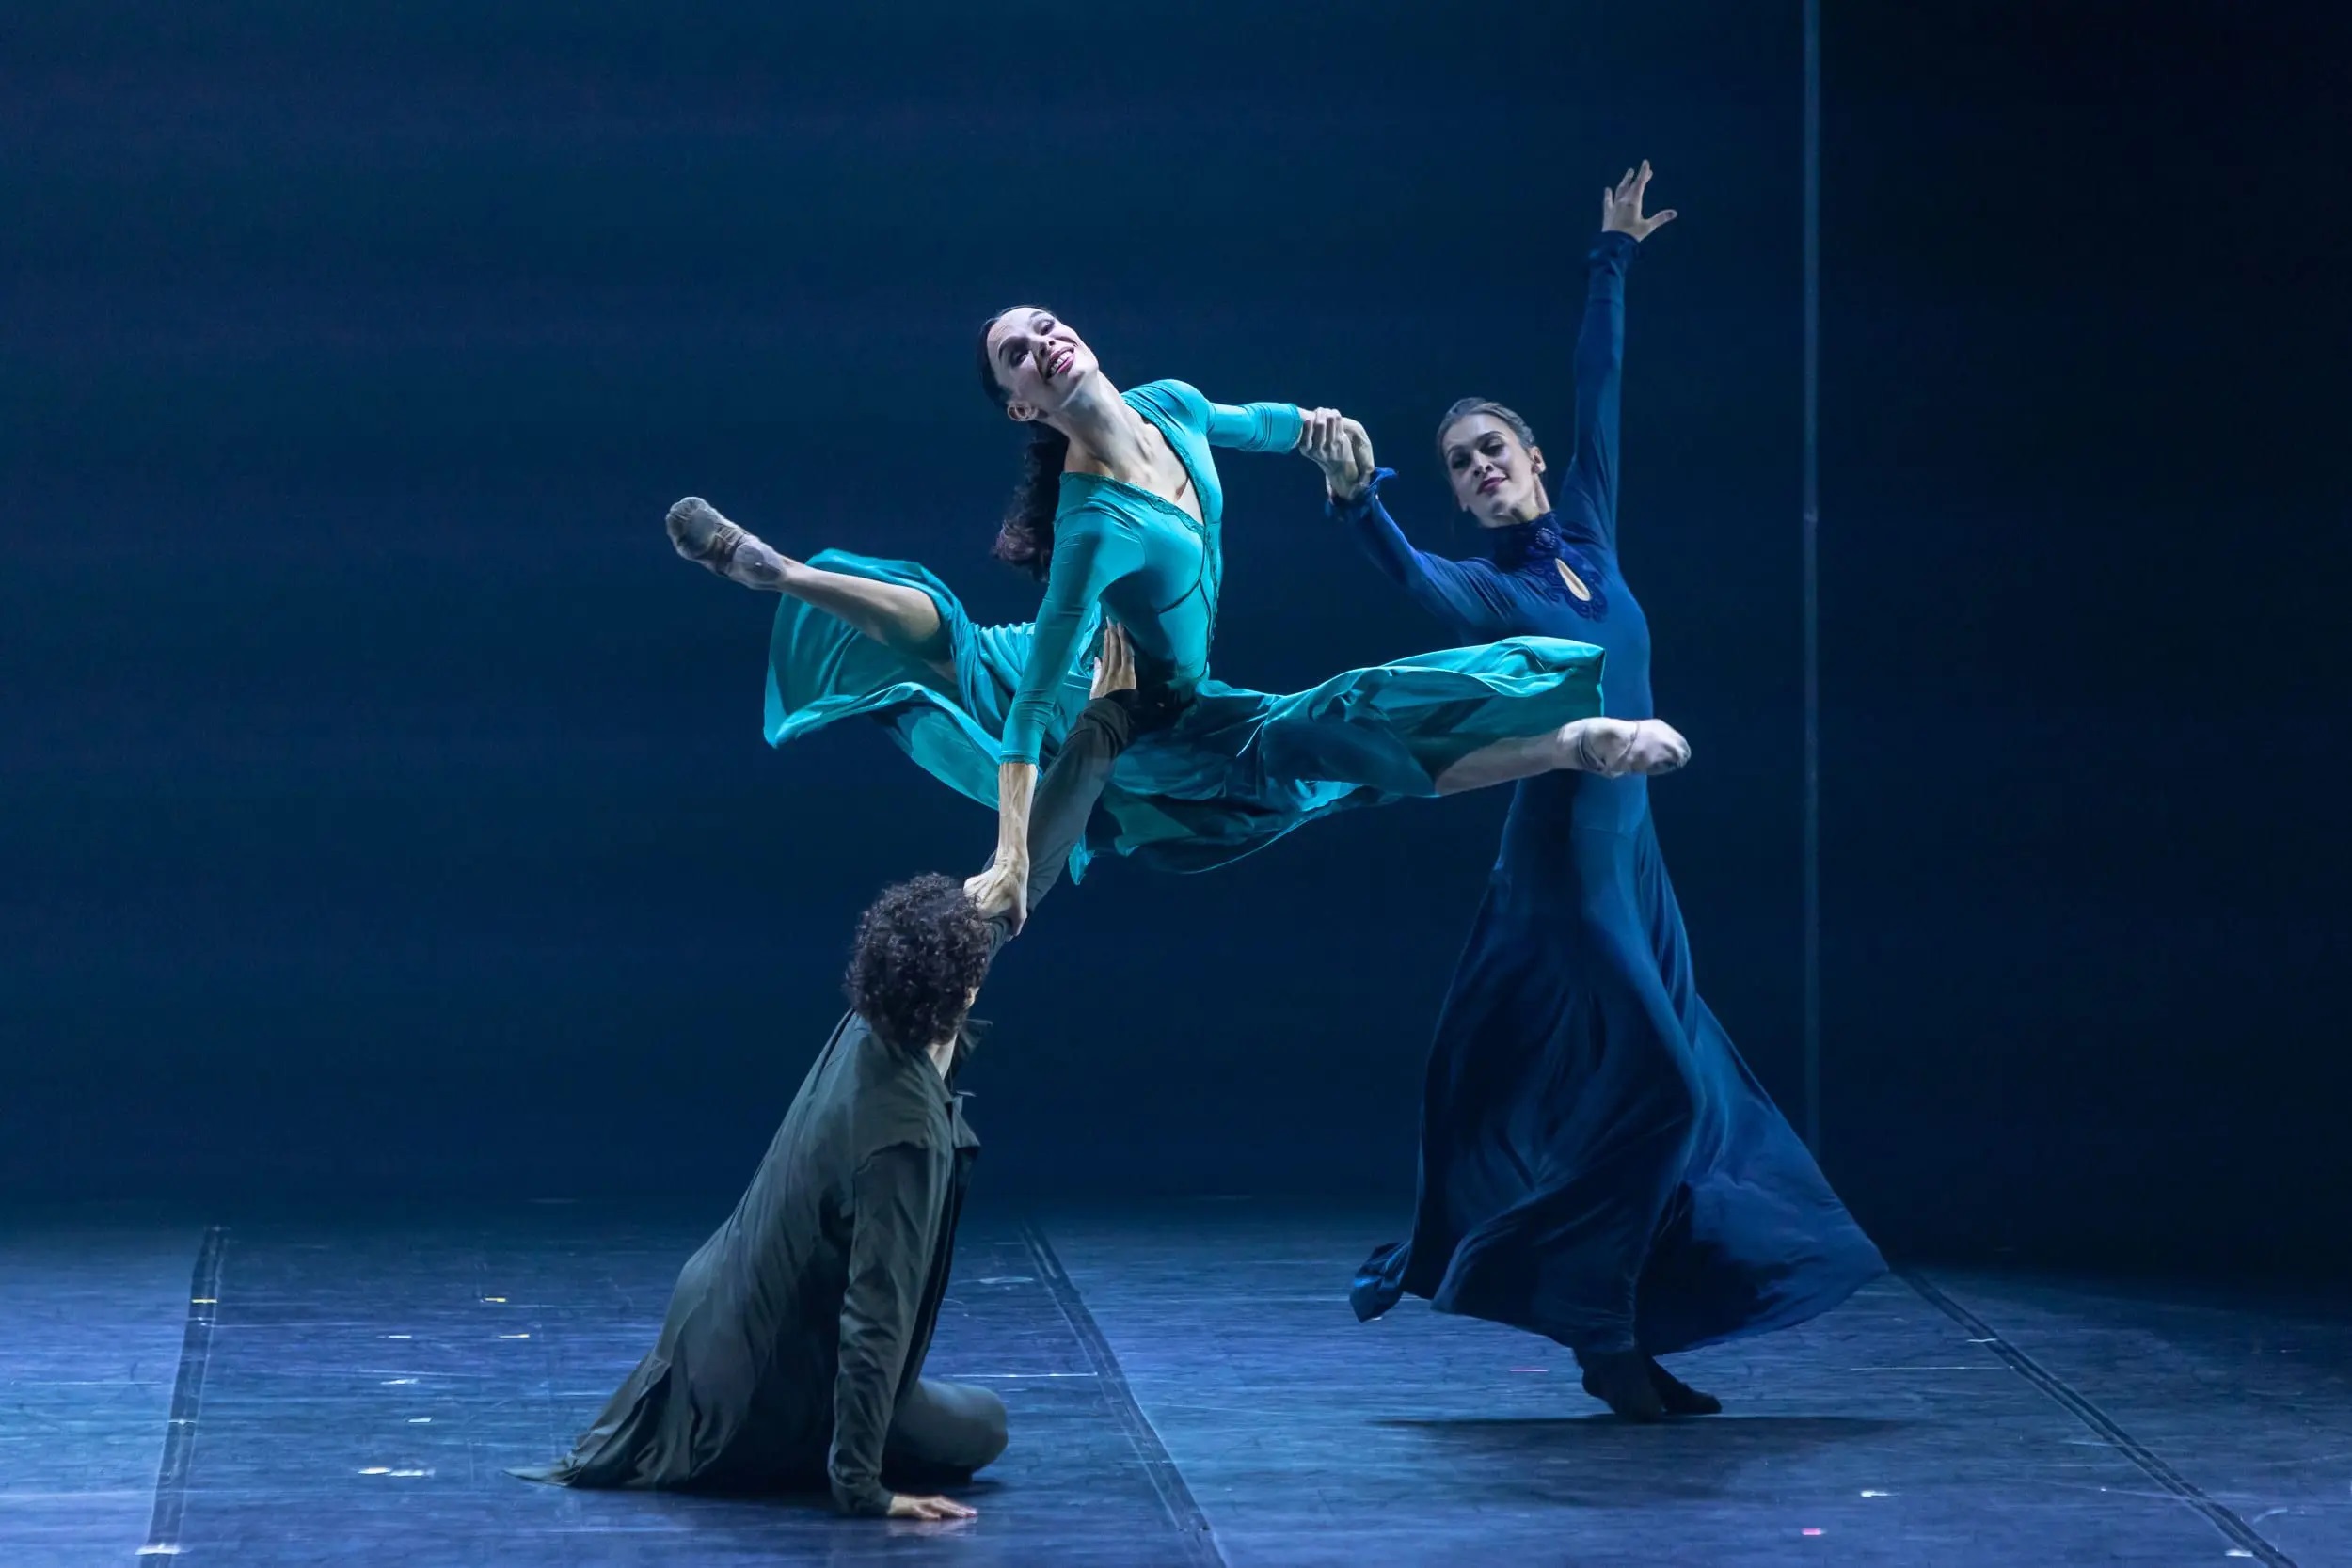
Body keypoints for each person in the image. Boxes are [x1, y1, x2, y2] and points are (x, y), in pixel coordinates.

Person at [1305, 164, 1883, 1419]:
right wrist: (1360, 507)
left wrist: (1611, 254)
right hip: (1566, 868)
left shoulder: (1590, 536)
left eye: (1492, 449)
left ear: (1532, 458)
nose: (1479, 469)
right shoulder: (1492, 590)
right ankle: (1595, 1330)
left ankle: (1626, 1322)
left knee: (1701, 1102)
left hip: (1639, 863)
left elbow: (1599, 390)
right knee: (1662, 1088)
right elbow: (1414, 583)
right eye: (1458, 465)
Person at [512, 631, 1151, 1517]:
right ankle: (818, 1453)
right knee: (986, 1426)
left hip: (707, 1325)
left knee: (953, 1403)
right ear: (964, 989)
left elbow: (1018, 881)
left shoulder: (878, 1016)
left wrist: (1105, 725)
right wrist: (866, 1488)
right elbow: (873, 1317)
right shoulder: (903, 1135)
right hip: (751, 1401)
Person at [963, 309, 1691, 924]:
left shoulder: (1171, 406)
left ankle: (1570, 742)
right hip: (1163, 734)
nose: (1042, 344)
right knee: (1334, 731)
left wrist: (1333, 443)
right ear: (1022, 407)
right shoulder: (1093, 526)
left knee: (1354, 738)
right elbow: (1030, 705)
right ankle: (1569, 742)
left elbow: (1269, 424)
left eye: (1045, 326)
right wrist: (1009, 855)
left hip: (1216, 706)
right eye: (1016, 354)